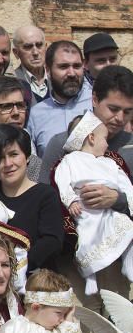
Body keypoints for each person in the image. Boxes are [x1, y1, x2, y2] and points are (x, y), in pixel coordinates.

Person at [53, 111, 133, 295]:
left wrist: (123, 199)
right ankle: (90, 276)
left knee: (128, 228)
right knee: (86, 240)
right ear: (91, 138)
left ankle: (128, 262)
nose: (107, 143)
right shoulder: (69, 161)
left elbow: (126, 184)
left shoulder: (111, 162)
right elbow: (63, 183)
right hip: (85, 211)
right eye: (104, 138)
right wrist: (71, 200)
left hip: (112, 213)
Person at [0, 124, 63, 272]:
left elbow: (52, 241)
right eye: (0, 158)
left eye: (14, 154)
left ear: (27, 156)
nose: (8, 164)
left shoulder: (46, 195)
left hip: (35, 282)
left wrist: (13, 268)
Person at [39, 63, 133, 182]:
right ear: (95, 99)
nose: (120, 118)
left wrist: (118, 198)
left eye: (128, 111)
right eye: (113, 109)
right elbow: (44, 195)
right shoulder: (61, 144)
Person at [27, 40, 92, 156]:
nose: (72, 73)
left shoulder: (97, 104)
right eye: (63, 67)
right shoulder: (36, 115)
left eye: (77, 66)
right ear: (48, 70)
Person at [13, 25, 49, 101]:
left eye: (39, 45)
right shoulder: (11, 83)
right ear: (16, 53)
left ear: (46, 48)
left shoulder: (58, 79)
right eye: (28, 47)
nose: (35, 52)